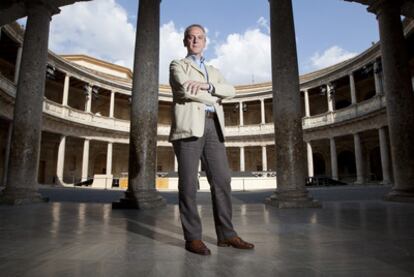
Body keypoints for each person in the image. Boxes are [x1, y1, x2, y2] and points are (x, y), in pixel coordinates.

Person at [169, 24, 254, 255]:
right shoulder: (178, 64)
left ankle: (227, 234)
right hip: (189, 127)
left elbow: (232, 91)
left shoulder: (214, 70)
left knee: (223, 180)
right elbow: (186, 91)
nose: (195, 41)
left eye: (200, 37)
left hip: (213, 125)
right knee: (188, 183)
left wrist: (208, 86)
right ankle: (193, 238)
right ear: (185, 41)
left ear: (205, 42)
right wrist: (216, 95)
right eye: (191, 37)